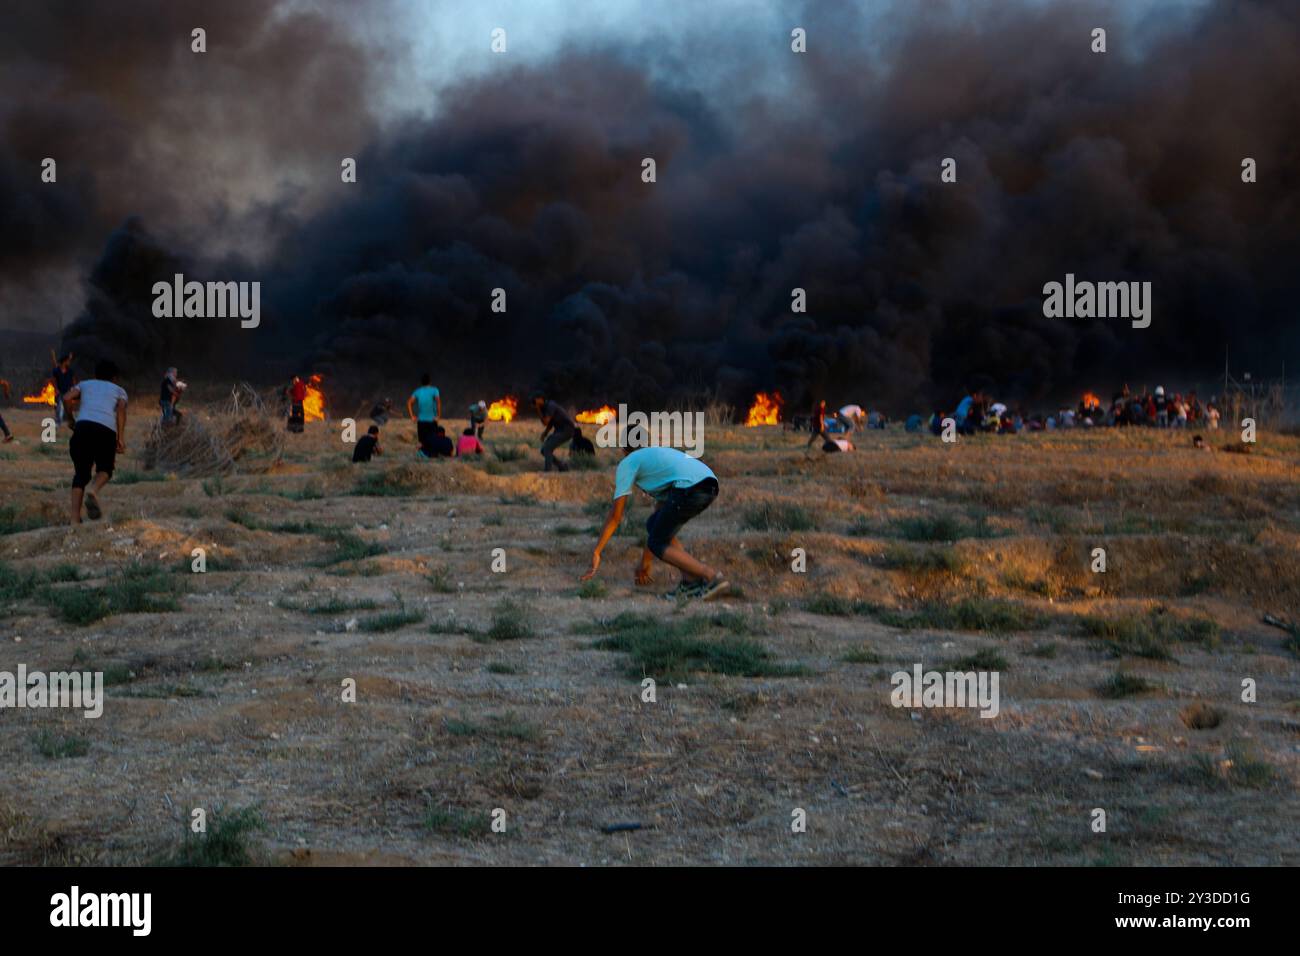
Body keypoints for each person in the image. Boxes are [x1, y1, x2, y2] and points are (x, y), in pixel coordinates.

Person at [581, 445, 727, 601]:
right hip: (709, 484)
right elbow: (659, 517)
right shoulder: (655, 458)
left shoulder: (628, 462)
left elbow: (615, 517)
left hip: (691, 489)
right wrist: (645, 561)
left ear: (623, 450)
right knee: (654, 524)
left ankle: (711, 577)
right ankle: (690, 581)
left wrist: (597, 551)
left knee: (657, 543)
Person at [63, 359, 127, 524]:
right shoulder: (119, 390)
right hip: (105, 431)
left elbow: (67, 398)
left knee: (81, 474)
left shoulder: (85, 384)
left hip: (82, 428)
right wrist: (120, 437)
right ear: (114, 378)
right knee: (105, 469)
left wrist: (70, 419)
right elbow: (121, 411)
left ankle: (74, 520)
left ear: (96, 375)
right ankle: (93, 489)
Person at [534, 394, 575, 472]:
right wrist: (545, 433)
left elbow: (545, 422)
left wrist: (538, 409)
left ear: (541, 399)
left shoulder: (550, 406)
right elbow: (550, 423)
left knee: (547, 448)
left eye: (536, 399)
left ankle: (547, 472)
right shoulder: (546, 406)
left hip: (567, 430)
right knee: (544, 450)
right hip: (561, 430)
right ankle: (562, 466)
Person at [407, 373, 441, 457]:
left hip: (421, 420)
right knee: (433, 439)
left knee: (422, 440)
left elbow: (409, 403)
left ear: (421, 382)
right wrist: (438, 415)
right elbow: (438, 402)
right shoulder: (434, 390)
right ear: (430, 381)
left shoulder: (417, 391)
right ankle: (432, 455)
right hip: (432, 420)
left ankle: (422, 456)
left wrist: (412, 416)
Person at [49, 350, 77, 429]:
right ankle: (58, 422)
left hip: (68, 392)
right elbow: (54, 380)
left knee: (69, 408)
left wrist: (73, 389)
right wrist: (56, 389)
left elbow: (73, 380)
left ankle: (71, 422)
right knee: (59, 407)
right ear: (64, 361)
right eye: (68, 361)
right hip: (60, 392)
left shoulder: (70, 371)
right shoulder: (57, 370)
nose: (69, 362)